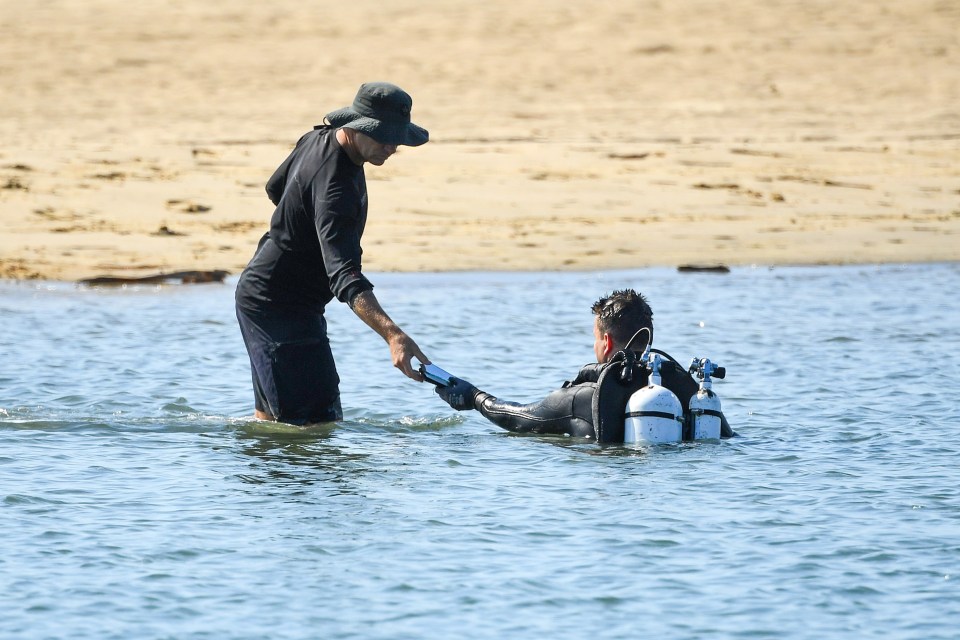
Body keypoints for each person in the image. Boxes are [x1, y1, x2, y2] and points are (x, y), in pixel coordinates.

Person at [235, 82, 431, 425]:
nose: (392, 146)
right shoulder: (336, 192)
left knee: (276, 421)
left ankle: (271, 476)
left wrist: (298, 232)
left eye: (397, 138)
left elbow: (275, 187)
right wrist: (393, 335)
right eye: (383, 136)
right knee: (313, 425)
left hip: (274, 299)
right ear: (356, 127)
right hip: (277, 308)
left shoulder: (317, 138)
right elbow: (344, 276)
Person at [434, 289, 735, 440]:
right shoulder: (687, 389)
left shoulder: (584, 396)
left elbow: (518, 419)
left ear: (605, 343)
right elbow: (726, 437)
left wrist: (473, 397)